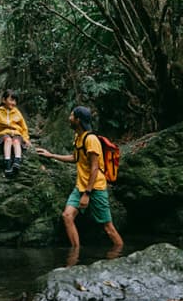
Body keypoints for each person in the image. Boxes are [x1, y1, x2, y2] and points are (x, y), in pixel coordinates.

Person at [36, 106, 124, 254]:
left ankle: (121, 256)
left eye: (71, 116)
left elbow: (95, 168)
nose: (69, 118)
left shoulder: (91, 140)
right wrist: (51, 155)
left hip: (95, 188)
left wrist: (87, 194)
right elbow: (75, 158)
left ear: (78, 120)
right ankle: (75, 255)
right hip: (81, 186)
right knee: (67, 216)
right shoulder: (78, 137)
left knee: (108, 228)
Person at [0, 89, 31, 178]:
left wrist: (26, 138)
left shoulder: (17, 112)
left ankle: (17, 161)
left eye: (15, 100)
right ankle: (7, 163)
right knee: (8, 140)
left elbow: (24, 127)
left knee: (16, 141)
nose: (14, 103)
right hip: (3, 134)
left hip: (16, 133)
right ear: (4, 100)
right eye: (11, 100)